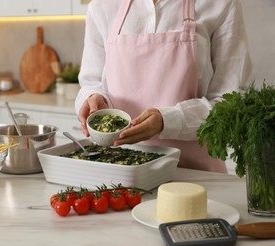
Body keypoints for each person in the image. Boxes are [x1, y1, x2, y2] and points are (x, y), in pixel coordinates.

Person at [75, 0, 252, 173]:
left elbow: (230, 102)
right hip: (119, 169)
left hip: (193, 172)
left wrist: (168, 120)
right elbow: (91, 82)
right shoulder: (101, 6)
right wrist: (93, 98)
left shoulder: (221, 4)